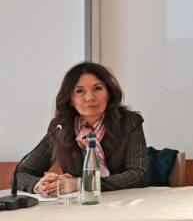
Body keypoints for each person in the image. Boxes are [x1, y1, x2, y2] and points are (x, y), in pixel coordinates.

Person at [15, 62, 147, 195]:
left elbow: (137, 174)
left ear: (109, 93)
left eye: (97, 88)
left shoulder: (129, 122)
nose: (89, 98)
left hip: (124, 200)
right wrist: (39, 185)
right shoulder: (60, 128)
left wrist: (82, 184)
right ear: (70, 100)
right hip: (83, 204)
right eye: (79, 91)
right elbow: (20, 173)